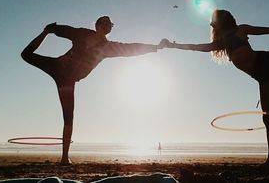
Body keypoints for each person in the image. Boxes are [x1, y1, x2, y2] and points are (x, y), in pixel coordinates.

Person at [162, 9, 269, 166]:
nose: (211, 24)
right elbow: (197, 47)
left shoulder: (241, 30)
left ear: (222, 22)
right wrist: (172, 45)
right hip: (263, 77)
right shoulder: (221, 43)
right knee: (268, 118)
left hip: (268, 61)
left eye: (213, 21)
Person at [21, 16, 166, 164]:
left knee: (68, 117)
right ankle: (65, 158)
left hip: (67, 81)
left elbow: (131, 48)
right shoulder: (83, 34)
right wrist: (50, 30)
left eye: (111, 24)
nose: (109, 25)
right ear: (98, 25)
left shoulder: (108, 48)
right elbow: (66, 30)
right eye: (107, 23)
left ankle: (64, 158)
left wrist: (155, 47)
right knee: (25, 54)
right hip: (57, 66)